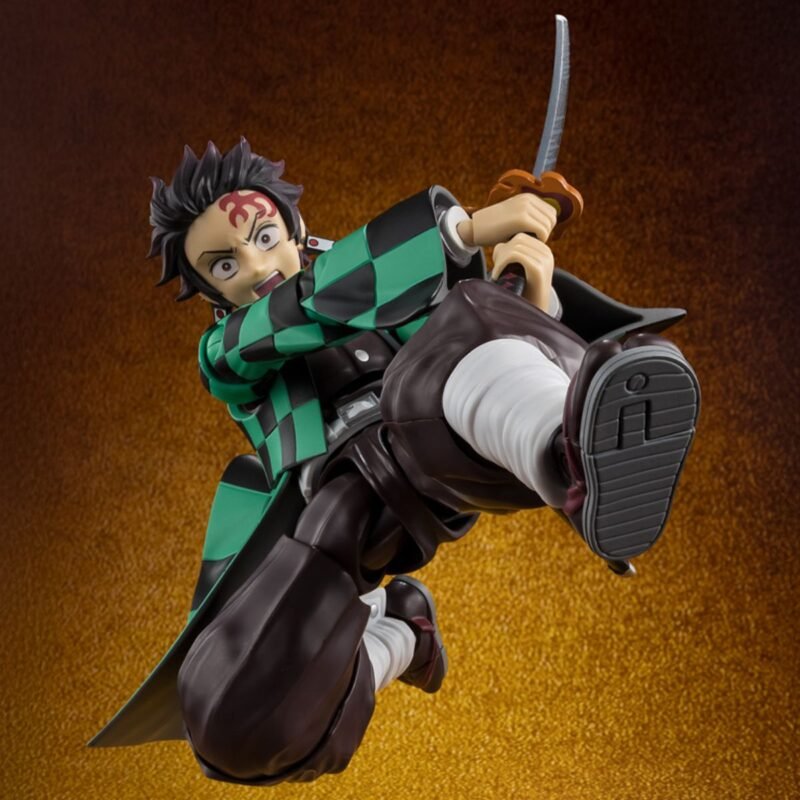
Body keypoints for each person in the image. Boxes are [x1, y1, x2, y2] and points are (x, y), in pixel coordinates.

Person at [90, 137, 699, 785]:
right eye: (225, 264)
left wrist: (533, 290)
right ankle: (401, 635)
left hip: (443, 441)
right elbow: (303, 306)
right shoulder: (228, 349)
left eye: (265, 237)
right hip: (342, 506)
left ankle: (568, 449)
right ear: (209, 290)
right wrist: (463, 230)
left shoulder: (395, 292)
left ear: (295, 228)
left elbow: (466, 324)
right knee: (230, 718)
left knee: (466, 318)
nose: (256, 265)